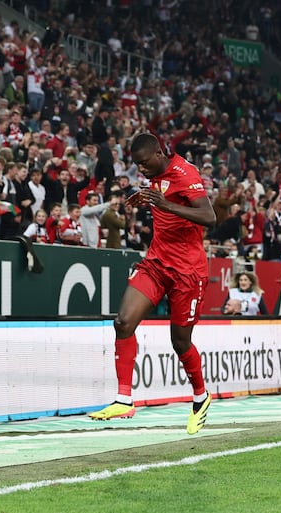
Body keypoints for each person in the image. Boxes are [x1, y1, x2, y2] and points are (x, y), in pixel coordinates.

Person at [88, 132, 215, 435]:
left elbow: (209, 217)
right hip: (157, 263)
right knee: (122, 322)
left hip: (188, 272)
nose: (141, 170)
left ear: (159, 154)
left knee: (180, 342)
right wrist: (145, 197)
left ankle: (200, 397)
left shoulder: (186, 174)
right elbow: (160, 194)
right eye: (137, 166)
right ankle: (123, 398)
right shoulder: (156, 173)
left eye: (144, 164)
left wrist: (166, 205)